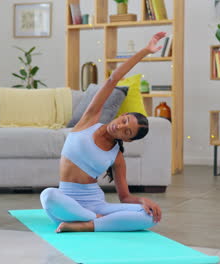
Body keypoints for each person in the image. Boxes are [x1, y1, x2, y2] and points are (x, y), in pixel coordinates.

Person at [40, 32, 167, 233]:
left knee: (149, 216)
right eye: (124, 121)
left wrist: (143, 200)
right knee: (48, 195)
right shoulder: (89, 120)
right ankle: (94, 221)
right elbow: (113, 79)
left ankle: (86, 224)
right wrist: (145, 51)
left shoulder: (116, 156)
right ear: (122, 114)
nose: (120, 126)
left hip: (97, 205)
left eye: (127, 132)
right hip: (66, 203)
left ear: (128, 139)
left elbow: (124, 198)